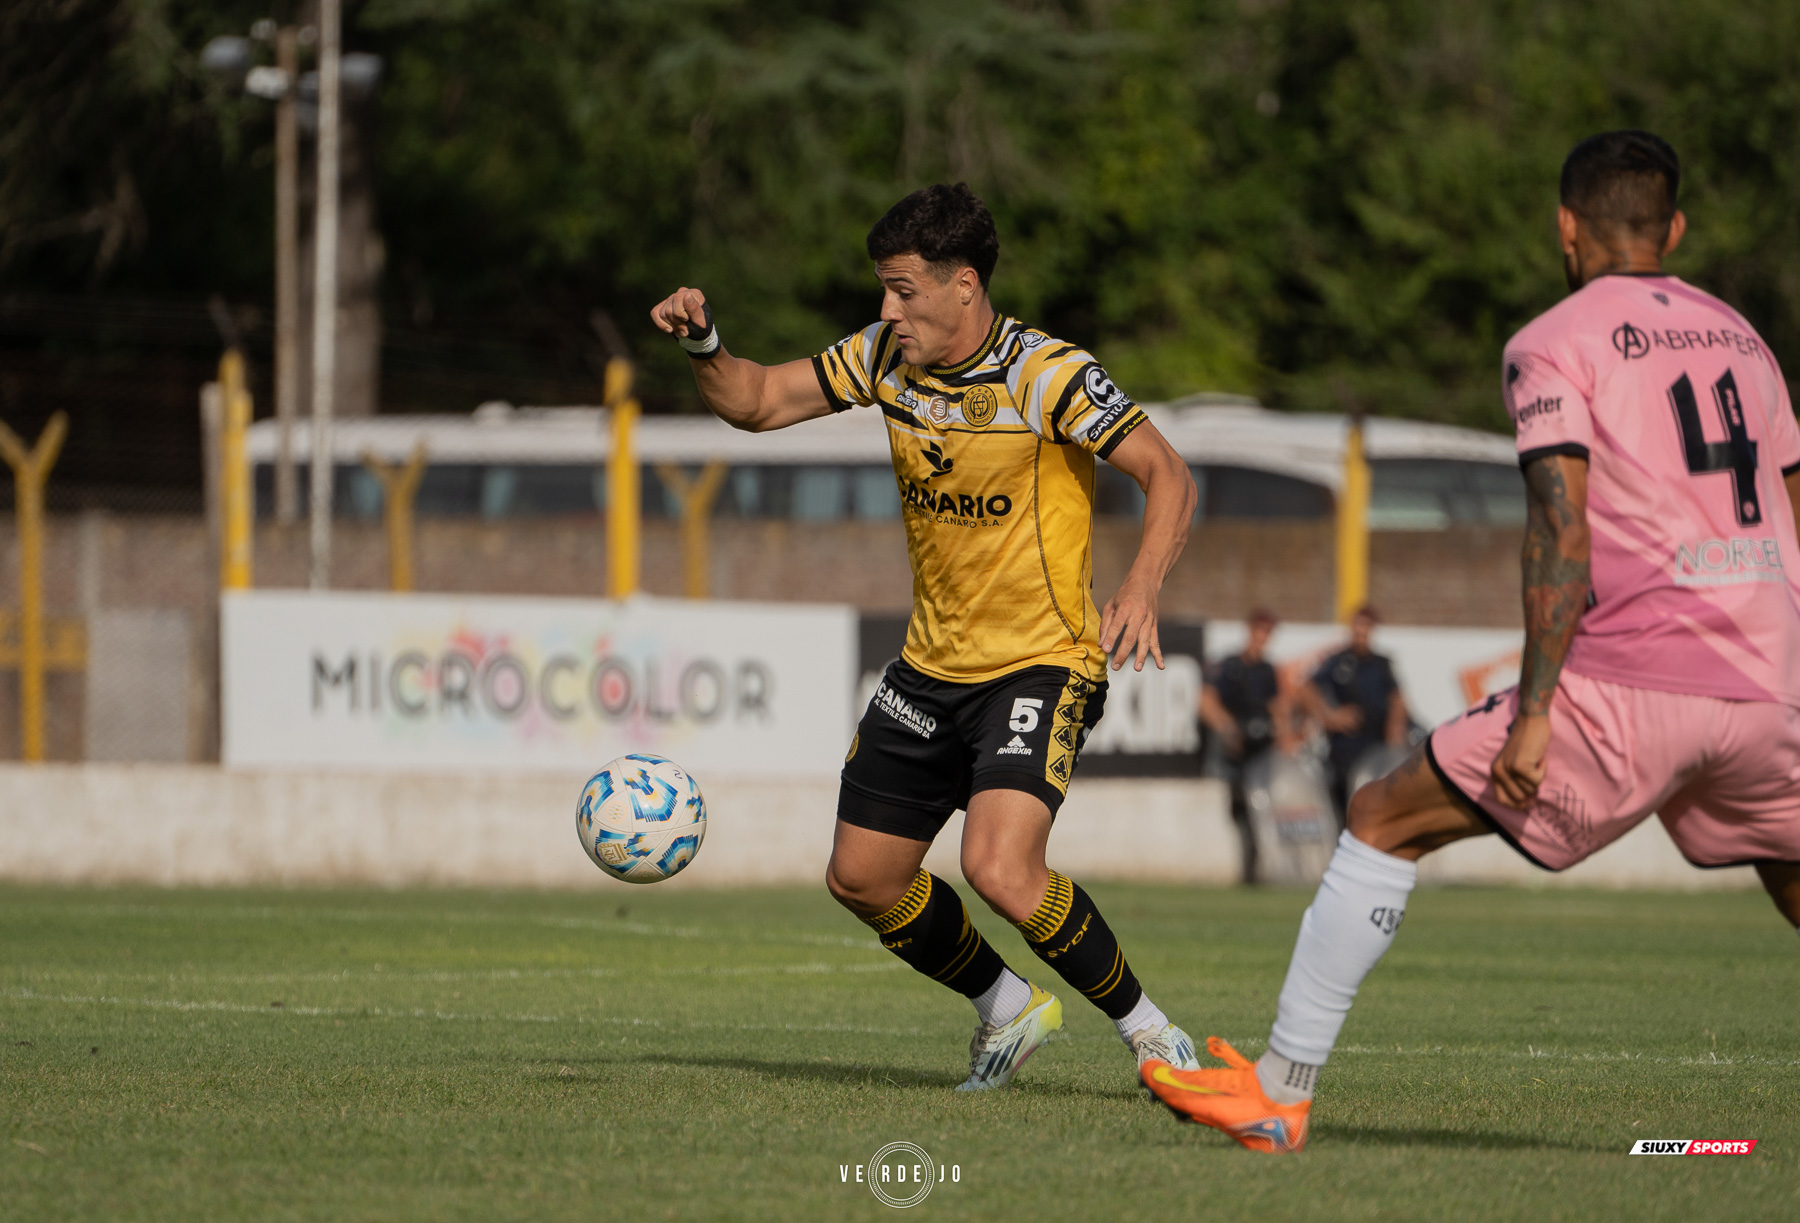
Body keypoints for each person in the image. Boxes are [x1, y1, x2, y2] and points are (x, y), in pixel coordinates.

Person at [1141, 130, 1800, 1152]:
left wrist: (1535, 711)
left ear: (1566, 228)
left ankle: (1278, 1088)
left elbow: (1560, 531)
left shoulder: (1556, 338)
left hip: (1636, 679)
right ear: (1673, 229)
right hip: (1775, 680)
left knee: (1379, 814)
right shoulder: (1746, 341)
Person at [649, 184, 1202, 1090]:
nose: (886, 311)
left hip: (1041, 662)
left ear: (964, 287)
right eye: (883, 290)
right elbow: (754, 401)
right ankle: (1006, 1007)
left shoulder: (1046, 374)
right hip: (928, 667)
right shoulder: (882, 359)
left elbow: (1166, 472)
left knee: (998, 865)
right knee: (861, 877)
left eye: (904, 291)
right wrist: (706, 344)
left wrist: (1141, 586)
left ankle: (1153, 1034)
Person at [1200, 608, 1290, 882]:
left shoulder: (1268, 671)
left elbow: (1278, 710)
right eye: (1259, 631)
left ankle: (1260, 869)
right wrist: (1229, 729)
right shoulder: (1230, 666)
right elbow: (1207, 703)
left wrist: (1285, 738)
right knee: (1241, 813)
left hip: (1261, 755)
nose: (1262, 638)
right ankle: (1249, 870)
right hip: (1235, 754)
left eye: (1267, 633)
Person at [1298, 605, 1412, 822]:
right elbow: (1306, 689)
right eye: (1359, 626)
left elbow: (1398, 698)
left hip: (1377, 743)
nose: (1362, 632)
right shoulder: (1337, 661)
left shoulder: (1381, 664)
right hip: (1347, 746)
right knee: (1346, 802)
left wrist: (1395, 727)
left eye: (1367, 627)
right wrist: (1328, 716)